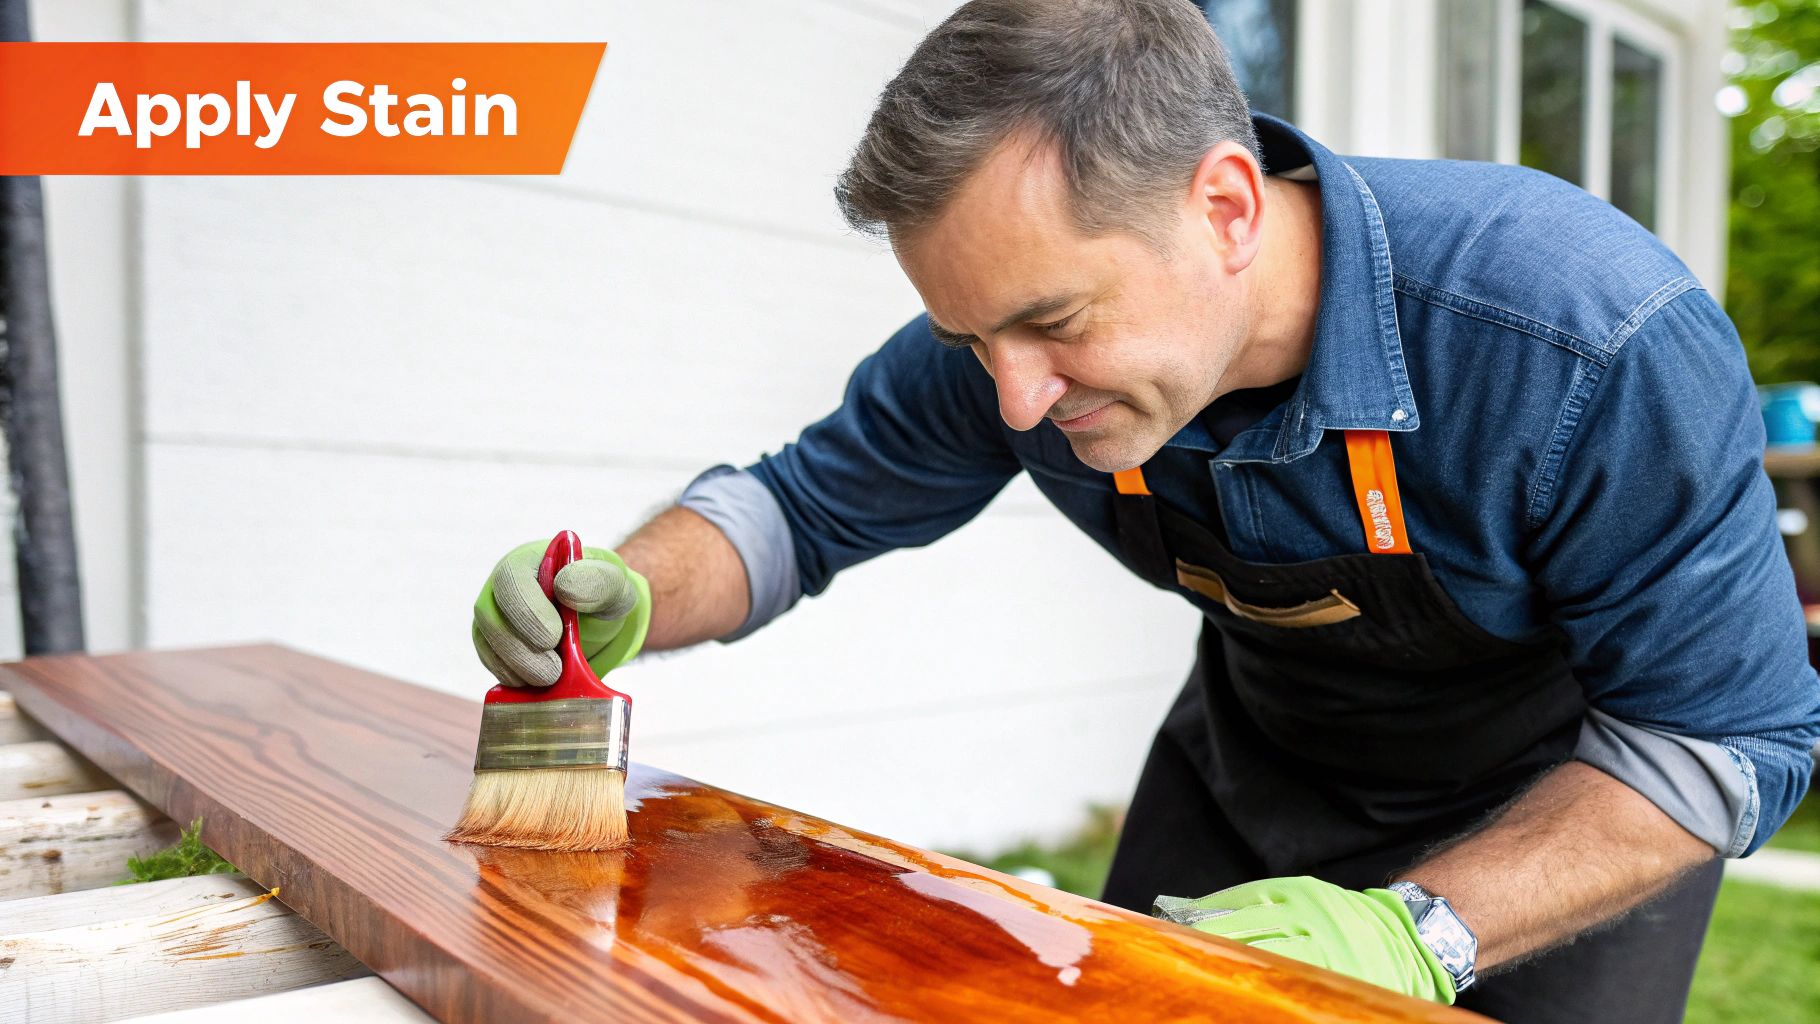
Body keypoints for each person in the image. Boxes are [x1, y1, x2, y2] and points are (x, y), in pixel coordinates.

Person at [469, 1, 1820, 1018]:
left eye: (1054, 323)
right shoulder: (1008, 357)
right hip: (1259, 775)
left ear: (1225, 205)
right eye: (973, 334)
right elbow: (793, 514)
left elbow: (1725, 737)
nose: (1008, 398)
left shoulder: (1583, 342)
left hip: (1568, 815)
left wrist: (1420, 932)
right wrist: (630, 586)